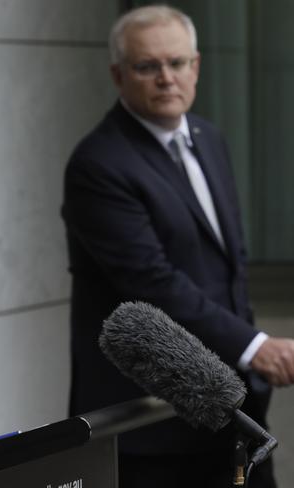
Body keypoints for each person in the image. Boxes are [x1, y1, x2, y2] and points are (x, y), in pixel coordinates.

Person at [62, 5, 294, 488]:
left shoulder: (210, 139)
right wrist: (256, 347)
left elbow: (231, 269)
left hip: (233, 413)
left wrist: (244, 362)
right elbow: (151, 282)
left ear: (197, 66)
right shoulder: (99, 163)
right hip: (151, 426)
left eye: (178, 63)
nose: (167, 78)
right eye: (148, 66)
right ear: (118, 74)